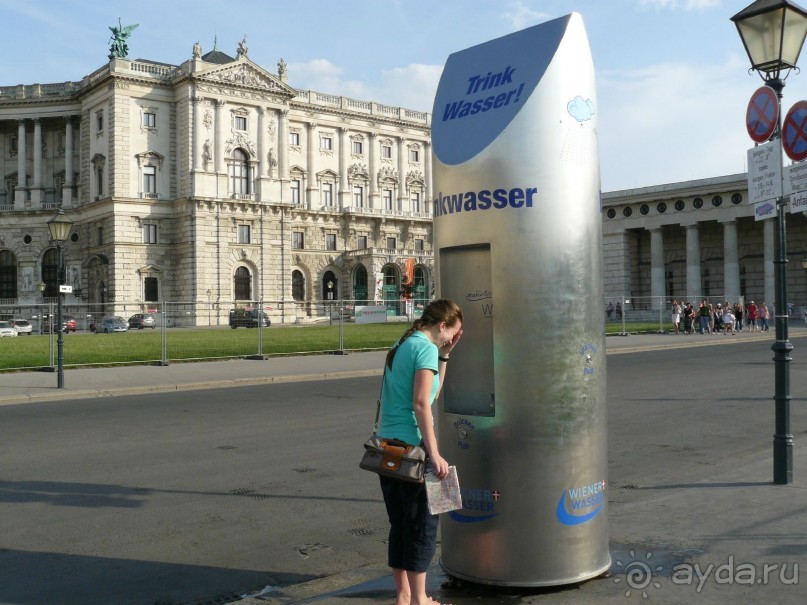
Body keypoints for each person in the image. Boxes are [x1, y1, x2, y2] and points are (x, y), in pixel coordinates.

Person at [378, 299, 463, 605]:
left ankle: (403, 596)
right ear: (442, 325)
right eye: (450, 334)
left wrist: (445, 355)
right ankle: (420, 599)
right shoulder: (425, 348)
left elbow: (432, 392)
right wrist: (435, 452)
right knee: (421, 527)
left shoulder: (403, 343)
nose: (449, 339)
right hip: (413, 450)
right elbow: (421, 403)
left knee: (400, 525)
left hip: (387, 449)